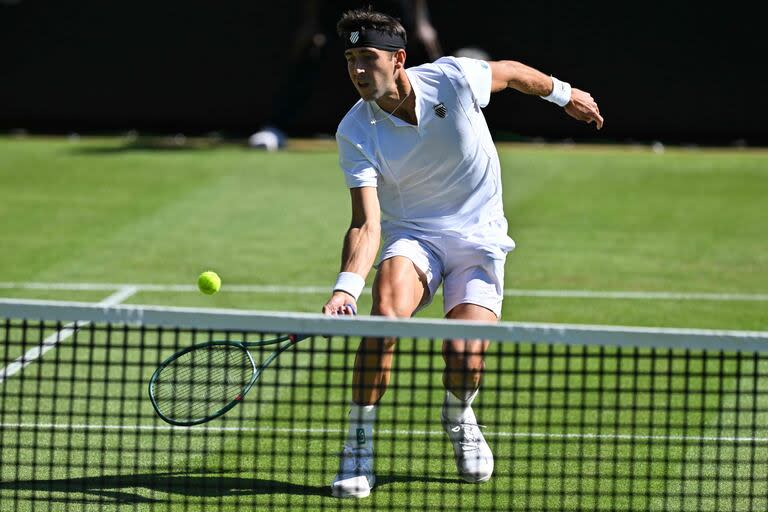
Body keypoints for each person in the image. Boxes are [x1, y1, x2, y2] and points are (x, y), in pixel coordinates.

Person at [322, 8, 603, 499]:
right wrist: (346, 287)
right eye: (350, 59)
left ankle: (458, 412)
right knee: (384, 317)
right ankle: (358, 443)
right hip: (416, 236)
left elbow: (513, 74)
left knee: (464, 356)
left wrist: (565, 94)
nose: (358, 71)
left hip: (480, 238)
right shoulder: (355, 130)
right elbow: (367, 223)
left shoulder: (453, 77)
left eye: (368, 58)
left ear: (399, 60)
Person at [248, 0, 442, 150]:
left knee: (420, 48)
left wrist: (421, 22)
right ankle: (276, 127)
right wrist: (312, 22)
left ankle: (437, 121)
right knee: (311, 48)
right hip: (338, 7)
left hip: (392, 7)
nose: (359, 70)